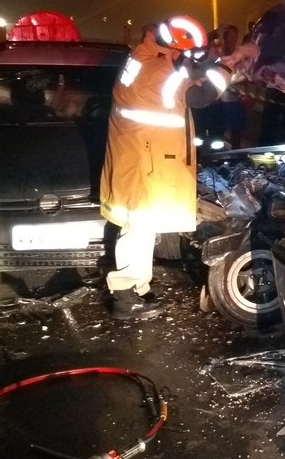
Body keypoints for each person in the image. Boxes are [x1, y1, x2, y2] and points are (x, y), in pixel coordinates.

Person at [99, 16, 258, 319]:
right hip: (146, 162)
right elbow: (200, 95)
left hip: (138, 156)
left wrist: (224, 65)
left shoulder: (145, 55)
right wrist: (229, 65)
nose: (191, 57)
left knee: (139, 229)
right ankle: (125, 295)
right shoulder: (159, 71)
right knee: (139, 228)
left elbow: (187, 73)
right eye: (189, 51)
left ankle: (137, 288)